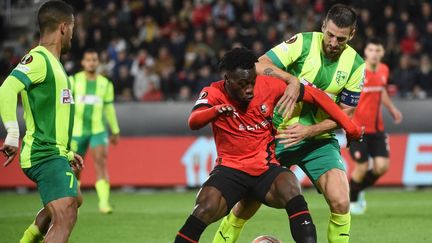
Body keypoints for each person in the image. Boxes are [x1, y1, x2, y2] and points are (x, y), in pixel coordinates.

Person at [174, 48, 362, 243]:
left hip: (265, 169)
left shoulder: (269, 85)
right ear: (227, 79)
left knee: (291, 188)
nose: (249, 89)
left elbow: (316, 96)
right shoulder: (213, 92)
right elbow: (193, 121)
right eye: (242, 84)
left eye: (252, 82)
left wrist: (350, 127)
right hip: (230, 170)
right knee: (205, 207)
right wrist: (215, 111)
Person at [214, 4, 365, 243]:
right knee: (246, 204)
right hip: (278, 135)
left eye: (341, 39)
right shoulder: (303, 43)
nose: (334, 42)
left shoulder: (356, 65)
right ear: (323, 26)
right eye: (331, 35)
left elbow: (347, 114)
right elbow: (259, 65)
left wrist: (309, 131)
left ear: (352, 35)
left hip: (317, 141)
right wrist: (291, 80)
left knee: (341, 200)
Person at [0, 1, 82, 243]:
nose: (72, 37)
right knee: (66, 214)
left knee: (75, 198)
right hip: (42, 153)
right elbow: (6, 89)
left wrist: (66, 153)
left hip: (54, 152)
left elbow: (51, 116)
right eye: (73, 31)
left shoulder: (54, 64)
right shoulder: (38, 59)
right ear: (64, 28)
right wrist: (12, 134)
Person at [349, 38, 402, 215]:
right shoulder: (357, 71)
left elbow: (382, 90)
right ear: (365, 52)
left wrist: (392, 108)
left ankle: (354, 189)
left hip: (377, 128)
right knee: (362, 167)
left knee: (382, 167)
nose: (374, 53)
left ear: (382, 53)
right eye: (371, 50)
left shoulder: (384, 70)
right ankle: (353, 201)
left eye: (377, 50)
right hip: (358, 129)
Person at [70, 49, 120, 214]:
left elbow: (109, 108)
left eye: (94, 60)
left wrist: (115, 130)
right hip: (77, 131)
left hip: (98, 130)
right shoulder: (73, 81)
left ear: (98, 62)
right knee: (75, 168)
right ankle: (72, 200)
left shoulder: (105, 83)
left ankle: (104, 203)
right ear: (83, 62)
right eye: (88, 60)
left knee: (101, 163)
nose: (91, 62)